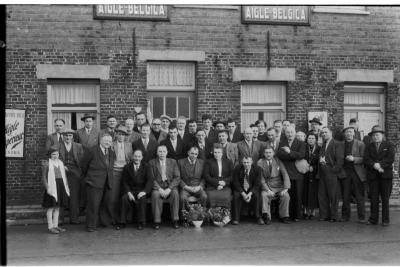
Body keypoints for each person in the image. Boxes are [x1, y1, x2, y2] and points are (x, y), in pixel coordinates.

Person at [80, 133, 115, 232]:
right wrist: (90, 177)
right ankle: (91, 225)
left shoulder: (111, 152)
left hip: (107, 182)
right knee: (93, 205)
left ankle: (104, 222)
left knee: (105, 203)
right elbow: (83, 165)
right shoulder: (91, 150)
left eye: (109, 141)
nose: (108, 143)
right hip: (94, 182)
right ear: (100, 140)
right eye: (106, 141)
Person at [364, 126, 395, 226]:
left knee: (385, 199)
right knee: (373, 198)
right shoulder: (369, 146)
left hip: (385, 176)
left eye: (377, 135)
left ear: (382, 135)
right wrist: (374, 165)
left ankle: (385, 220)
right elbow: (366, 159)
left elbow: (390, 158)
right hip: (373, 176)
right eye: (373, 135)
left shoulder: (389, 145)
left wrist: (379, 164)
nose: (375, 137)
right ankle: (373, 219)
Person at [276, 126, 306, 222]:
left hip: (297, 173)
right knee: (287, 195)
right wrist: (293, 155)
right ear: (285, 133)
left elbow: (301, 155)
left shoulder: (301, 143)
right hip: (285, 173)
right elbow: (280, 155)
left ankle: (297, 215)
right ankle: (287, 215)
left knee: (297, 195)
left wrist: (289, 152)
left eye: (291, 132)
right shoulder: (282, 143)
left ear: (295, 132)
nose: (290, 134)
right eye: (288, 132)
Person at [148, 145, 181, 230]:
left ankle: (175, 220)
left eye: (163, 151)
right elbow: (151, 178)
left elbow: (177, 177)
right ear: (157, 153)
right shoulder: (152, 162)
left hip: (170, 186)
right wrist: (159, 189)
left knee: (175, 194)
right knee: (155, 195)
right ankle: (157, 221)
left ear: (167, 152)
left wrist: (169, 189)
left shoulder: (173, 162)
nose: (162, 153)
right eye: (160, 151)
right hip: (158, 187)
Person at [120, 149, 153, 230]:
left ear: (142, 157)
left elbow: (150, 180)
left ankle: (141, 222)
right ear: (132, 157)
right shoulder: (127, 167)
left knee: (142, 199)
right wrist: (128, 192)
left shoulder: (147, 166)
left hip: (142, 190)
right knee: (124, 198)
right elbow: (124, 182)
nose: (137, 158)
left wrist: (144, 192)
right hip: (131, 190)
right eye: (135, 156)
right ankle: (122, 222)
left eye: (139, 156)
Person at [317, 127, 345, 222]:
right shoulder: (323, 145)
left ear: (331, 133)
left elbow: (340, 160)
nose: (324, 134)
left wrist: (333, 170)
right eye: (322, 133)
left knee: (333, 196)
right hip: (323, 173)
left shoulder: (337, 144)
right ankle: (324, 215)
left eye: (326, 132)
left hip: (332, 173)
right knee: (322, 195)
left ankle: (334, 216)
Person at [258, 147, 291, 224]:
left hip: (278, 185)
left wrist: (286, 188)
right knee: (264, 195)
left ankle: (284, 216)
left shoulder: (278, 161)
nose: (268, 154)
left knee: (286, 196)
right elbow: (261, 179)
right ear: (264, 154)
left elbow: (285, 174)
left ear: (273, 153)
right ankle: (266, 216)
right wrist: (268, 190)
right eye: (266, 152)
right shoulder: (260, 162)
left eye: (270, 152)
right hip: (267, 186)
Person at [42, 147, 70, 234]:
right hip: (52, 187)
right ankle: (50, 227)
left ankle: (56, 225)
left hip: (60, 186)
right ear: (50, 155)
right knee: (51, 207)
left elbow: (64, 176)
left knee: (57, 207)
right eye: (53, 154)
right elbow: (43, 178)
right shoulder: (46, 164)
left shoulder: (61, 163)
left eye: (57, 154)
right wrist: (47, 188)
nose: (56, 156)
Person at [58, 129, 84, 225]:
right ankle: (60, 219)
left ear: (72, 136)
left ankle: (74, 218)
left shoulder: (78, 146)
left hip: (75, 172)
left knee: (74, 195)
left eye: (70, 135)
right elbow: (53, 159)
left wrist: (80, 172)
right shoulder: (57, 146)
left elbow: (81, 160)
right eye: (66, 135)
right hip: (61, 171)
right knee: (61, 194)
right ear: (63, 136)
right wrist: (62, 166)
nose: (68, 137)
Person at [342, 126, 366, 223]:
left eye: (351, 132)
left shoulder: (360, 144)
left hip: (357, 173)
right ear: (344, 134)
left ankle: (361, 217)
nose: (349, 134)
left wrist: (354, 159)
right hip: (345, 173)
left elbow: (364, 159)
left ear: (354, 133)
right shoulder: (341, 144)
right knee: (345, 195)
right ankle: (345, 216)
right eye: (347, 132)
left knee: (359, 196)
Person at [111, 126, 133, 229]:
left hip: (126, 172)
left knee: (125, 196)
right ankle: (114, 219)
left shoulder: (129, 145)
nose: (121, 136)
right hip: (115, 172)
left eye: (123, 134)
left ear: (125, 136)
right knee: (114, 197)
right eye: (119, 134)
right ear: (116, 135)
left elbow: (131, 159)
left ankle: (126, 218)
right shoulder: (112, 145)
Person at [232, 156, 263, 225]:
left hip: (252, 189)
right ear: (242, 162)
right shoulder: (237, 168)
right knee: (236, 195)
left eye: (248, 162)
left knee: (257, 196)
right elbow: (236, 183)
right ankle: (236, 218)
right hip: (241, 188)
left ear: (252, 162)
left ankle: (258, 217)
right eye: (244, 162)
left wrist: (249, 194)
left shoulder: (258, 169)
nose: (246, 164)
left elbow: (257, 184)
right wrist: (243, 194)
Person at [203, 144, 234, 208]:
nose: (217, 154)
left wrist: (224, 183)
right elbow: (206, 176)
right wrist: (218, 183)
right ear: (213, 153)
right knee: (211, 197)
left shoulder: (228, 162)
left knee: (226, 197)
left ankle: (225, 215)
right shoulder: (208, 162)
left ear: (222, 153)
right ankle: (212, 216)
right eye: (215, 152)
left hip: (225, 185)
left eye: (219, 152)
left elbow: (232, 175)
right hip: (212, 185)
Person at [178, 146, 207, 211]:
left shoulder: (202, 163)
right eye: (192, 153)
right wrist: (186, 187)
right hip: (186, 187)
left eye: (196, 154)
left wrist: (199, 187)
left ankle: (201, 216)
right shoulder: (180, 162)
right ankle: (185, 217)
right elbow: (178, 178)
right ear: (188, 153)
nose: (194, 155)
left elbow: (204, 178)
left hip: (197, 187)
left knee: (204, 196)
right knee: (182, 198)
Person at [303, 133, 320, 220]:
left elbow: (320, 162)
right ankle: (305, 211)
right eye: (309, 138)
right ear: (307, 139)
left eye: (313, 138)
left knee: (313, 192)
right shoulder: (303, 148)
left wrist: (314, 167)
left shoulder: (319, 149)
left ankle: (312, 211)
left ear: (315, 140)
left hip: (314, 173)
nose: (311, 140)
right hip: (305, 173)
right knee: (305, 192)